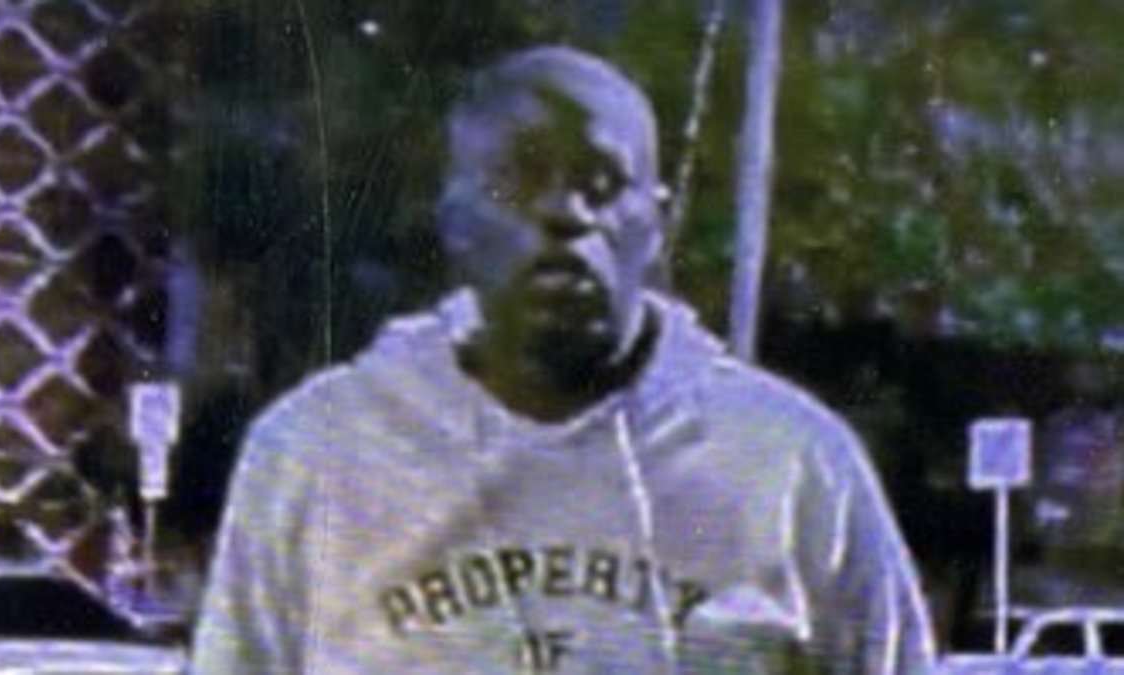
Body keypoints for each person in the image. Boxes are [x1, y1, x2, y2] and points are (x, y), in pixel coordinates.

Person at [192, 46, 936, 674]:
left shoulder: (790, 462)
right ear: (454, 218)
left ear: (655, 223)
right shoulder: (320, 452)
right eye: (519, 179)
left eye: (602, 184)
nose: (566, 214)